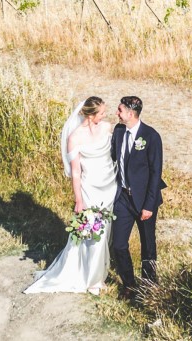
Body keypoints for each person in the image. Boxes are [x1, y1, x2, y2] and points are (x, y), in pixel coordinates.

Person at [24, 96, 117, 295]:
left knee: (106, 231)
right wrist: (78, 199)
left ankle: (98, 273)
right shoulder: (74, 137)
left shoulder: (107, 128)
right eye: (101, 112)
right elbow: (76, 171)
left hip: (109, 186)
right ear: (91, 115)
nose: (104, 115)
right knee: (93, 233)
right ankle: (92, 280)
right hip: (89, 188)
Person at [109, 95, 165, 297]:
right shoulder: (118, 131)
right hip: (123, 198)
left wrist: (149, 205)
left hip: (144, 200)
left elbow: (155, 172)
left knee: (148, 245)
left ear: (130, 114)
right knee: (119, 244)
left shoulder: (151, 136)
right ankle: (129, 284)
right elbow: (112, 158)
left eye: (120, 110)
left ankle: (149, 286)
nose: (117, 113)